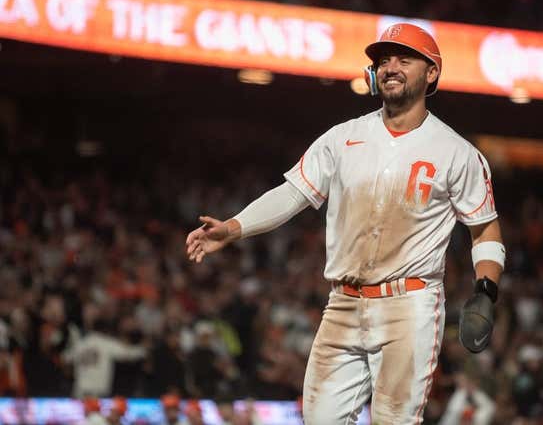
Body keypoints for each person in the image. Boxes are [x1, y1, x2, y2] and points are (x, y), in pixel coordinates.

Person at [186, 22, 505, 424]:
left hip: (410, 305)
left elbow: (484, 228)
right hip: (344, 301)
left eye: (404, 59)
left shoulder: (457, 152)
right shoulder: (343, 137)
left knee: (394, 420)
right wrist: (233, 227)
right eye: (383, 60)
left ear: (432, 72)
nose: (390, 67)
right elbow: (293, 193)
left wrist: (486, 290)